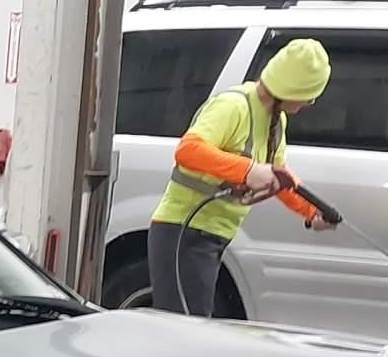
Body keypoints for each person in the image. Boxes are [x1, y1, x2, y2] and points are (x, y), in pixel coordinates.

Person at [142, 38, 338, 317]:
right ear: (292, 87)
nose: (311, 102)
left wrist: (313, 211)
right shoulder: (233, 106)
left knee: (193, 327)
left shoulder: (275, 120)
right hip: (184, 230)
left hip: (212, 235)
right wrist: (247, 170)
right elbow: (188, 150)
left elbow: (280, 178)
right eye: (309, 93)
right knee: (185, 333)